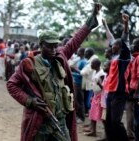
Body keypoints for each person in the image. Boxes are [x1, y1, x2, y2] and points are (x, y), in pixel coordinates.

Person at [7, 3, 101, 141]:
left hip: (60, 119)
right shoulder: (29, 63)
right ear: (41, 45)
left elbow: (76, 40)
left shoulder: (60, 56)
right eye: (49, 46)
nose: (53, 49)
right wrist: (30, 101)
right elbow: (11, 85)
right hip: (40, 121)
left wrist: (92, 17)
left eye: (55, 46)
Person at [104, 13, 130, 141]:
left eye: (114, 45)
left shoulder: (124, 56)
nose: (111, 45)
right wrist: (105, 25)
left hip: (119, 92)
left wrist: (126, 24)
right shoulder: (114, 56)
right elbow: (110, 37)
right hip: (111, 92)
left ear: (119, 47)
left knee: (116, 121)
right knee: (108, 120)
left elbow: (124, 39)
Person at [70, 48, 87, 123]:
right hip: (75, 82)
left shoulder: (84, 62)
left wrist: (73, 71)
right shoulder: (78, 60)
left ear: (83, 52)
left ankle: (81, 117)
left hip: (79, 83)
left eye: (79, 51)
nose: (77, 51)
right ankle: (77, 115)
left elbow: (83, 74)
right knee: (76, 100)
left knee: (80, 100)